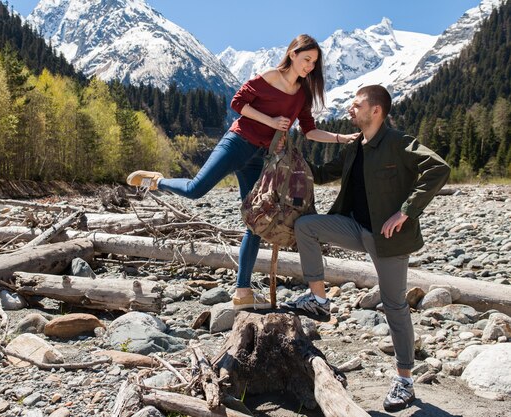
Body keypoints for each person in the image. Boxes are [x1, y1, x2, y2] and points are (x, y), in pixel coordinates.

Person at [126, 34, 358, 310]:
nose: (310, 66)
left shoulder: (303, 95)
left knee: (256, 221)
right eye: (306, 59)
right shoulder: (269, 77)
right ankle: (158, 181)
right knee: (196, 189)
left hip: (261, 157)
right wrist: (270, 121)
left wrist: (342, 139)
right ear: (293, 54)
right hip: (237, 143)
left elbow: (310, 131)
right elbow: (237, 103)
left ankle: (242, 291)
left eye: (314, 62)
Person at [282, 84, 450, 411]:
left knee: (394, 306)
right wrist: (287, 155)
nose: (351, 109)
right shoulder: (356, 145)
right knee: (306, 226)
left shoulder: (399, 143)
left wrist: (407, 211)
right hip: (355, 227)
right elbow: (323, 174)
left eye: (356, 104)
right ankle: (318, 299)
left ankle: (404, 381)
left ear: (376, 111)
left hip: (388, 239)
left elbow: (438, 169)